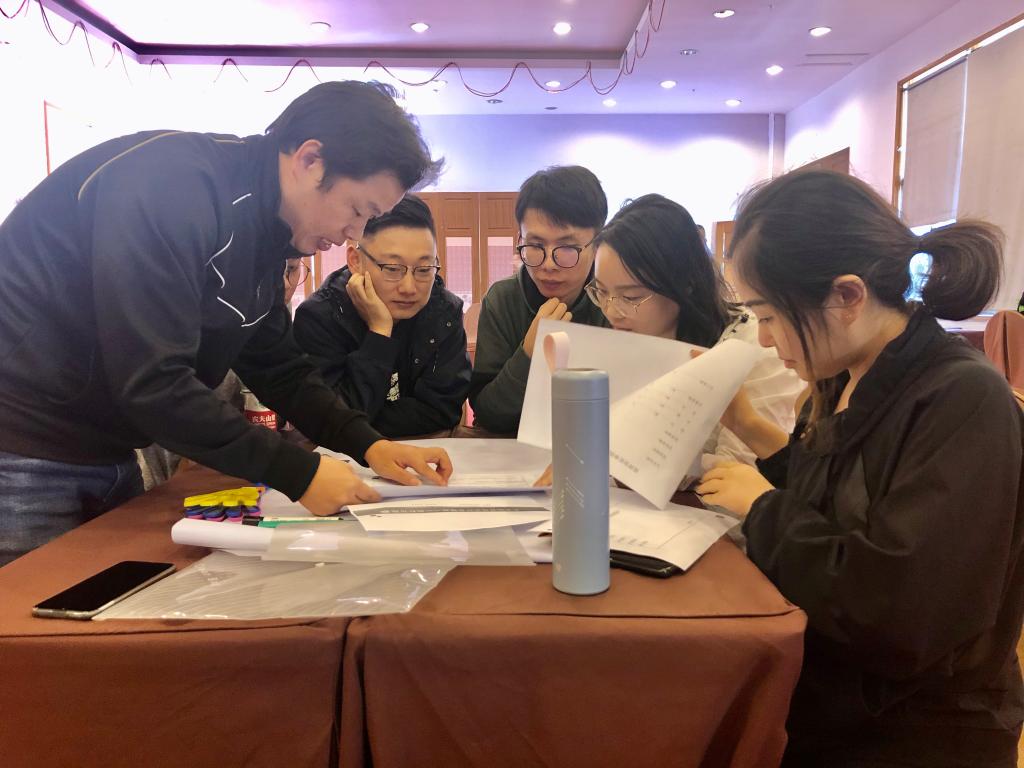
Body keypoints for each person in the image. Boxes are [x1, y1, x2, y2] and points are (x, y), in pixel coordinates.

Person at [0, 81, 454, 566]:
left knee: (110, 605)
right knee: (38, 613)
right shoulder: (172, 188)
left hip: (110, 451)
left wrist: (369, 443)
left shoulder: (266, 230)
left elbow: (279, 366)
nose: (354, 234)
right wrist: (299, 473)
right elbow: (154, 382)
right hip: (24, 450)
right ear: (310, 160)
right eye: (358, 211)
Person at [695, 169, 1024, 766]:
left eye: (769, 316)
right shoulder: (843, 378)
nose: (764, 340)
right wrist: (747, 427)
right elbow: (833, 501)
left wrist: (762, 508)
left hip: (915, 732)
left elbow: (899, 609)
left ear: (847, 296)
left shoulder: (962, 399)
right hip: (831, 697)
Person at [589, 194, 802, 474]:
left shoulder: (755, 346)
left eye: (631, 297)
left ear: (685, 284)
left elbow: (739, 472)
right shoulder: (627, 339)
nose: (611, 311)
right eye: (601, 292)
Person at [294, 194, 470, 438]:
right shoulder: (320, 317)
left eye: (423, 269)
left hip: (425, 452)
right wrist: (379, 333)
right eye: (393, 269)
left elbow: (442, 410)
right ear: (355, 261)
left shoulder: (444, 312)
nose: (409, 287)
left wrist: (361, 418)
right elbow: (327, 422)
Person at [469, 165, 610, 434]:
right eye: (535, 245)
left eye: (566, 247)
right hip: (515, 451)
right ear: (520, 239)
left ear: (597, 244)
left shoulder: (613, 301)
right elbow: (486, 413)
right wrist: (528, 354)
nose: (548, 264)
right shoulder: (502, 300)